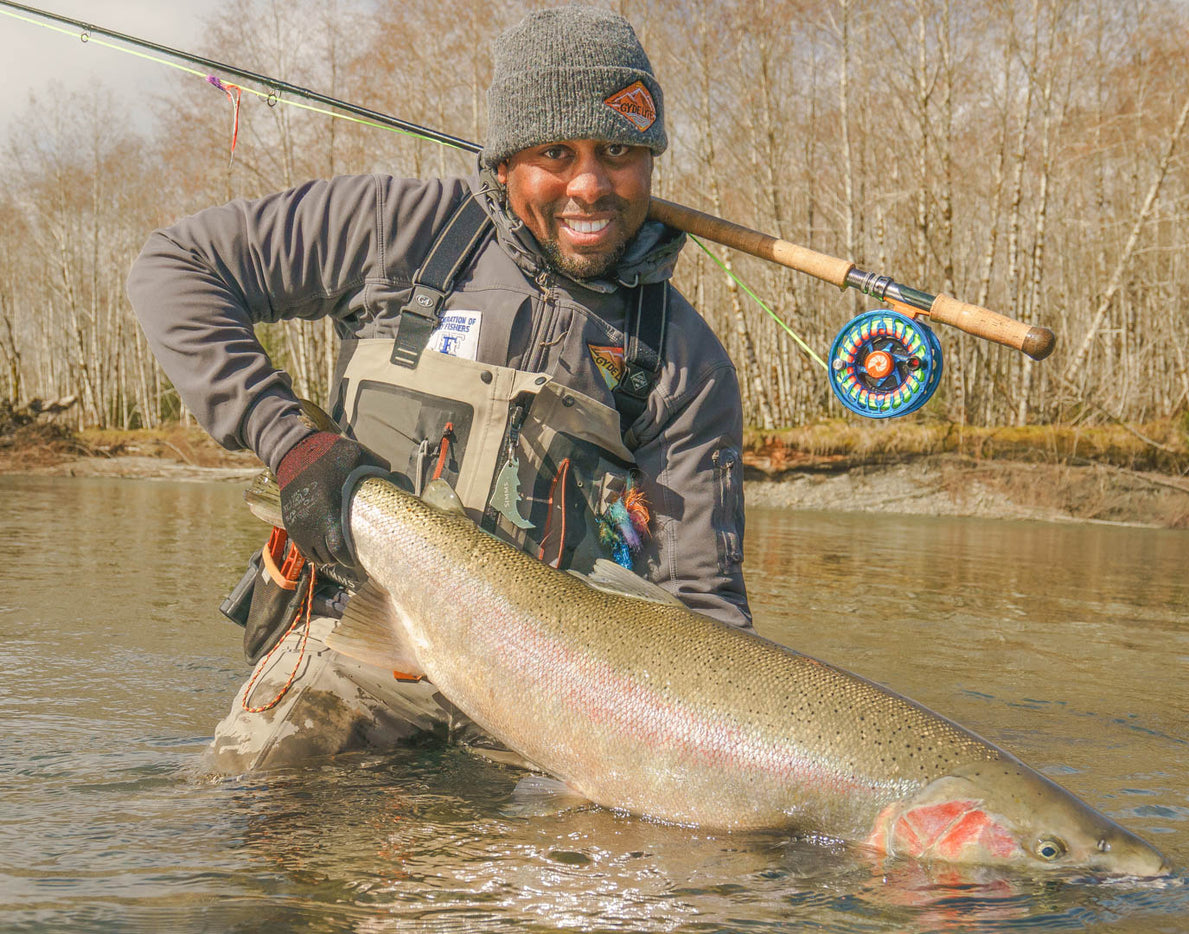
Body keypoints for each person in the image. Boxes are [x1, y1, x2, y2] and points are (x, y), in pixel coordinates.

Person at [126, 6, 748, 772]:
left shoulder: (686, 363)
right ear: (504, 163)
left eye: (618, 151)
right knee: (260, 807)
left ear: (650, 158)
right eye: (557, 152)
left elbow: (703, 614)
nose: (589, 185)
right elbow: (176, 268)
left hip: (550, 707)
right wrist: (289, 443)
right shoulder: (397, 229)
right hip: (350, 647)